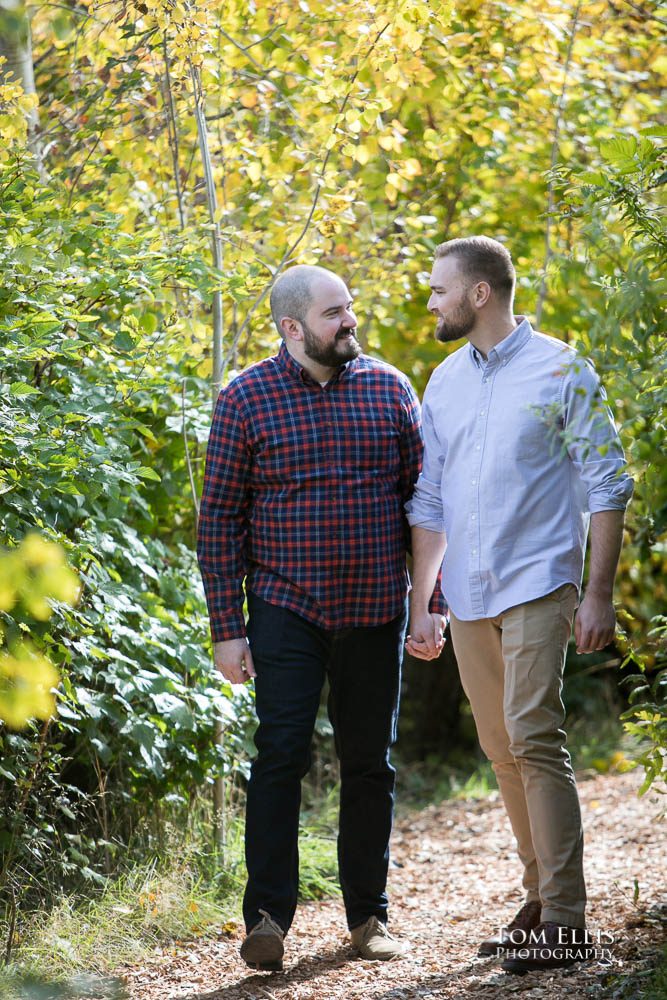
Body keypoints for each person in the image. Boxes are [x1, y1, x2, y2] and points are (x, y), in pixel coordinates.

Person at [197, 264, 445, 971]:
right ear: (291, 327)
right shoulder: (245, 398)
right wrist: (226, 627)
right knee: (280, 755)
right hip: (285, 607)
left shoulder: (389, 388)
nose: (350, 322)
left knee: (370, 765)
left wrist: (430, 603)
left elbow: (423, 506)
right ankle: (267, 918)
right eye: (335, 312)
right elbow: (219, 521)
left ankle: (369, 917)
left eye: (350, 309)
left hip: (374, 608)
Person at [405, 236, 633, 974]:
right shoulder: (442, 381)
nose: (430, 301)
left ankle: (565, 918)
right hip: (468, 592)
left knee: (532, 734)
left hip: (539, 580)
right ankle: (538, 899)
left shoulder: (562, 369)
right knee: (500, 748)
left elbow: (606, 482)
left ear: (478, 294)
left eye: (439, 289)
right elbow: (432, 498)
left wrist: (596, 592)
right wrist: (424, 602)